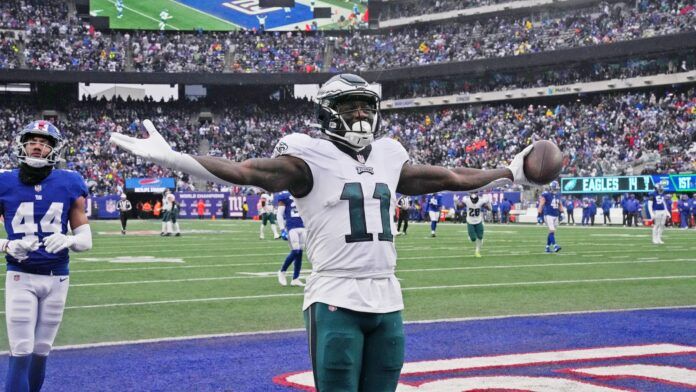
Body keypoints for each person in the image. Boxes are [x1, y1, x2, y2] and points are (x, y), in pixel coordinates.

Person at [110, 73, 535, 391]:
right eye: (351, 106)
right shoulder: (307, 157)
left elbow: (449, 178)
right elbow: (244, 172)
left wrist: (509, 172)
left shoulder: (389, 155)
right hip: (335, 296)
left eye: (366, 106)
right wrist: (175, 158)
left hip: (388, 295)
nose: (361, 114)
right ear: (328, 111)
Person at [1, 121, 92, 391]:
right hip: (21, 275)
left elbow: (86, 240)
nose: (38, 146)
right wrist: (6, 245)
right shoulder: (4, 182)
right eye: (32, 140)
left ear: (54, 148)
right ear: (22, 145)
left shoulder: (69, 182)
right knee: (21, 349)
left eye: (45, 142)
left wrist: (70, 239)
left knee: (42, 349)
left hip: (57, 278)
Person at [276, 191, 305, 287]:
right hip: (291, 226)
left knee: (300, 252)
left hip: (302, 225)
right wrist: (282, 229)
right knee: (295, 251)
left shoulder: (303, 193)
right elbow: (279, 214)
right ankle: (282, 271)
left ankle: (295, 278)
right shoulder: (284, 196)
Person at [463, 192, 491, 258]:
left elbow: (490, 209)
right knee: (473, 239)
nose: (474, 201)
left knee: (480, 237)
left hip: (478, 221)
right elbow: (458, 207)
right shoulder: (466, 200)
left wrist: (488, 202)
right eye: (472, 200)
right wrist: (455, 202)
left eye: (475, 200)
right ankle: (470, 235)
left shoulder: (481, 201)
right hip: (470, 221)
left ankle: (477, 251)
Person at [538, 181, 563, 253]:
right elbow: (541, 205)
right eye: (555, 189)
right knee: (552, 230)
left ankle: (547, 247)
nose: (556, 190)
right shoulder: (546, 195)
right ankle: (555, 246)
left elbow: (560, 204)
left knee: (552, 232)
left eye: (556, 189)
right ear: (551, 188)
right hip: (548, 214)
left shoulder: (558, 195)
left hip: (556, 214)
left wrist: (562, 213)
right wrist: (539, 215)